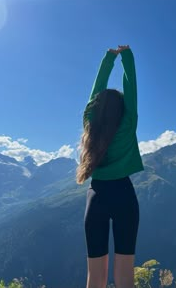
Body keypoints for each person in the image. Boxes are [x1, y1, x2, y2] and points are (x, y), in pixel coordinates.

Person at [76, 45, 144, 288]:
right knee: (125, 276)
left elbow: (97, 90)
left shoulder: (90, 123)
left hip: (96, 198)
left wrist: (108, 59)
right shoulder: (128, 123)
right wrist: (127, 56)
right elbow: (131, 87)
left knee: (95, 278)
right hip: (125, 196)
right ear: (123, 110)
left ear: (95, 109)